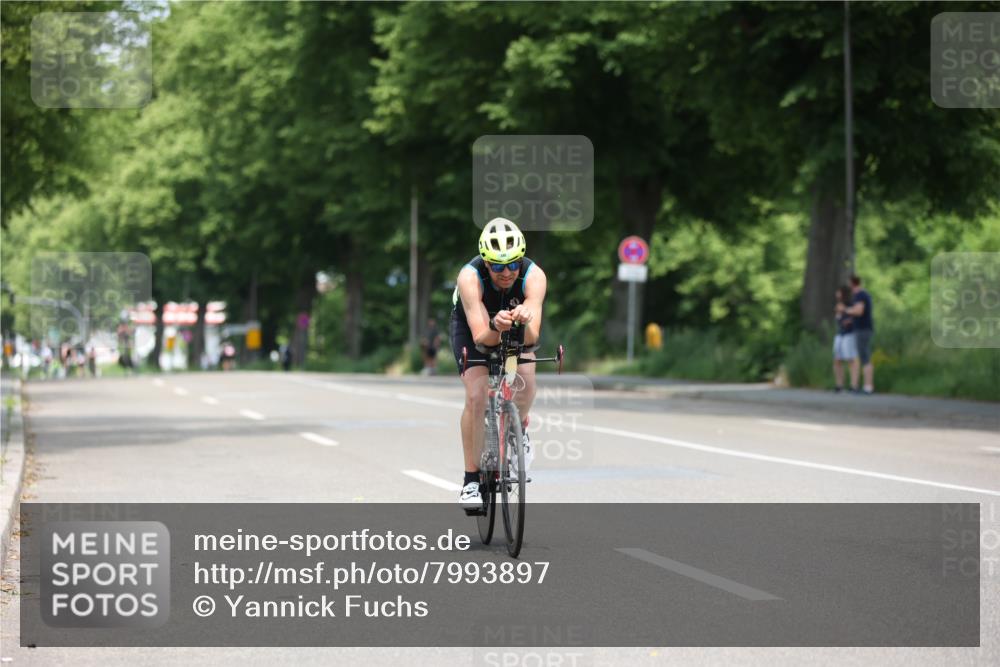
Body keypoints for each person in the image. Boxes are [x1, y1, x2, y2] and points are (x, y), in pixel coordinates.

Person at [449, 218, 547, 508]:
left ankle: (521, 429)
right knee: (477, 395)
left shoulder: (535, 276)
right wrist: (497, 324)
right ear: (486, 263)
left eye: (513, 264)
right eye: (498, 266)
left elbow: (532, 335)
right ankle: (470, 481)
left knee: (527, 384)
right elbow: (481, 336)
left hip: (514, 326)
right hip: (475, 326)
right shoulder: (469, 277)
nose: (507, 273)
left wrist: (523, 318)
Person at [843, 274, 875, 394]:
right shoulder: (862, 294)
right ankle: (865, 386)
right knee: (863, 357)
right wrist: (850, 320)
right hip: (862, 329)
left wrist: (845, 310)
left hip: (863, 330)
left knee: (865, 357)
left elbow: (859, 311)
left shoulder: (860, 295)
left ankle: (868, 387)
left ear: (852, 283)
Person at [832, 286, 859, 393]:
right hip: (840, 334)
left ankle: (854, 385)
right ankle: (839, 384)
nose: (836, 294)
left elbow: (856, 316)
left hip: (849, 334)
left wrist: (847, 317)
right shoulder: (839, 305)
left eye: (838, 292)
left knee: (851, 359)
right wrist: (838, 313)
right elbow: (838, 319)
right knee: (837, 359)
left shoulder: (851, 303)